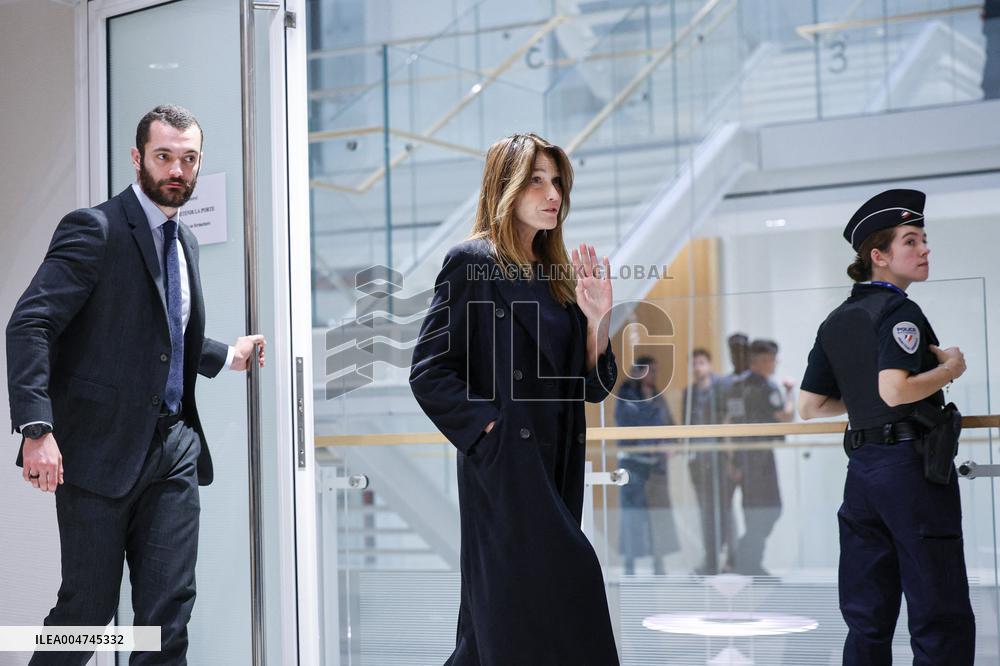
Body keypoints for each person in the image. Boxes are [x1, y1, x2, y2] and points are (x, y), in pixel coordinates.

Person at [6, 104, 266, 665]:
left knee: (167, 613)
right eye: (165, 156)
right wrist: (35, 427)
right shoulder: (95, 228)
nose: (178, 170)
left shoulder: (183, 241)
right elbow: (31, 323)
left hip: (172, 449)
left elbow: (161, 333)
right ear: (137, 158)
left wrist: (227, 355)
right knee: (88, 613)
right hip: (97, 453)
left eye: (189, 159)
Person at [409, 133, 619, 665]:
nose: (553, 194)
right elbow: (430, 371)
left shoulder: (557, 276)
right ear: (505, 187)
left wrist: (598, 320)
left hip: (556, 468)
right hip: (506, 471)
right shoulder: (471, 263)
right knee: (554, 607)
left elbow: (591, 387)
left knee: (503, 623)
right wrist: (492, 434)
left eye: (558, 183)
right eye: (537, 180)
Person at [798, 188, 975, 665]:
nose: (924, 250)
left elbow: (810, 406)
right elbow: (896, 390)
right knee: (937, 607)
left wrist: (863, 400)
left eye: (923, 240)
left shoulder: (837, 318)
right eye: (911, 241)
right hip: (910, 470)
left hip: (864, 472)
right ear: (878, 256)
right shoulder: (899, 311)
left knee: (867, 612)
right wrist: (950, 369)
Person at [726, 339, 793, 576]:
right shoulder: (767, 387)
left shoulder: (736, 386)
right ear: (763, 360)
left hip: (744, 458)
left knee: (754, 512)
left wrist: (732, 460)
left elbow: (729, 424)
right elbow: (786, 416)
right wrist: (789, 392)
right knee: (768, 510)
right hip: (760, 458)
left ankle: (745, 563)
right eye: (773, 359)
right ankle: (744, 563)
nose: (775, 364)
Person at [615, 355, 679, 576]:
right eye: (650, 371)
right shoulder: (626, 394)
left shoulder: (658, 396)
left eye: (655, 371)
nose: (654, 375)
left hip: (656, 468)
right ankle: (630, 565)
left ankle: (658, 563)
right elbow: (629, 426)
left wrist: (671, 444)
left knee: (658, 516)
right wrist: (653, 445)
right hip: (634, 466)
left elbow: (670, 425)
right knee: (632, 516)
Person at [683, 348, 734, 575]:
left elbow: (730, 419)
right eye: (694, 363)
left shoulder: (723, 387)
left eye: (701, 362)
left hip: (722, 458)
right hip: (698, 460)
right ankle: (712, 561)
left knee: (726, 510)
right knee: (706, 511)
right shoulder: (689, 393)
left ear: (710, 364)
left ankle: (731, 559)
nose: (698, 367)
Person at [983, 0, 1000, 99]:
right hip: (994, 19)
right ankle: (991, 88)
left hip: (992, 19)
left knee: (993, 56)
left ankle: (990, 88)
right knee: (993, 56)